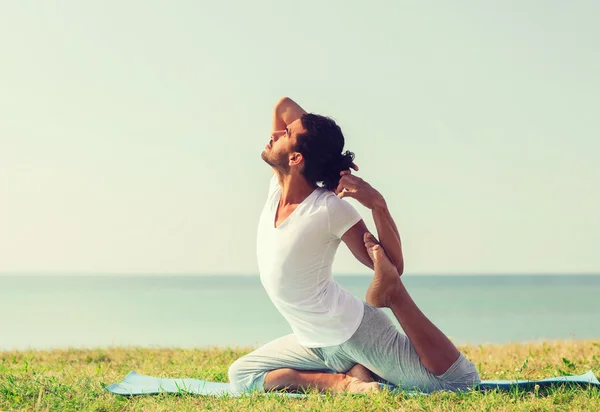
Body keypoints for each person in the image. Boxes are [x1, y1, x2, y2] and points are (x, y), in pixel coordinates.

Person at [227, 97, 480, 394]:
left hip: (351, 332)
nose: (275, 134)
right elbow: (283, 106)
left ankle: (390, 306)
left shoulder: (328, 208)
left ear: (296, 159)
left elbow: (391, 266)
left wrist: (377, 205)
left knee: (460, 384)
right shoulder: (276, 189)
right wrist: (329, 158)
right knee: (241, 375)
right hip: (314, 341)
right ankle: (344, 380)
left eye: (286, 134)